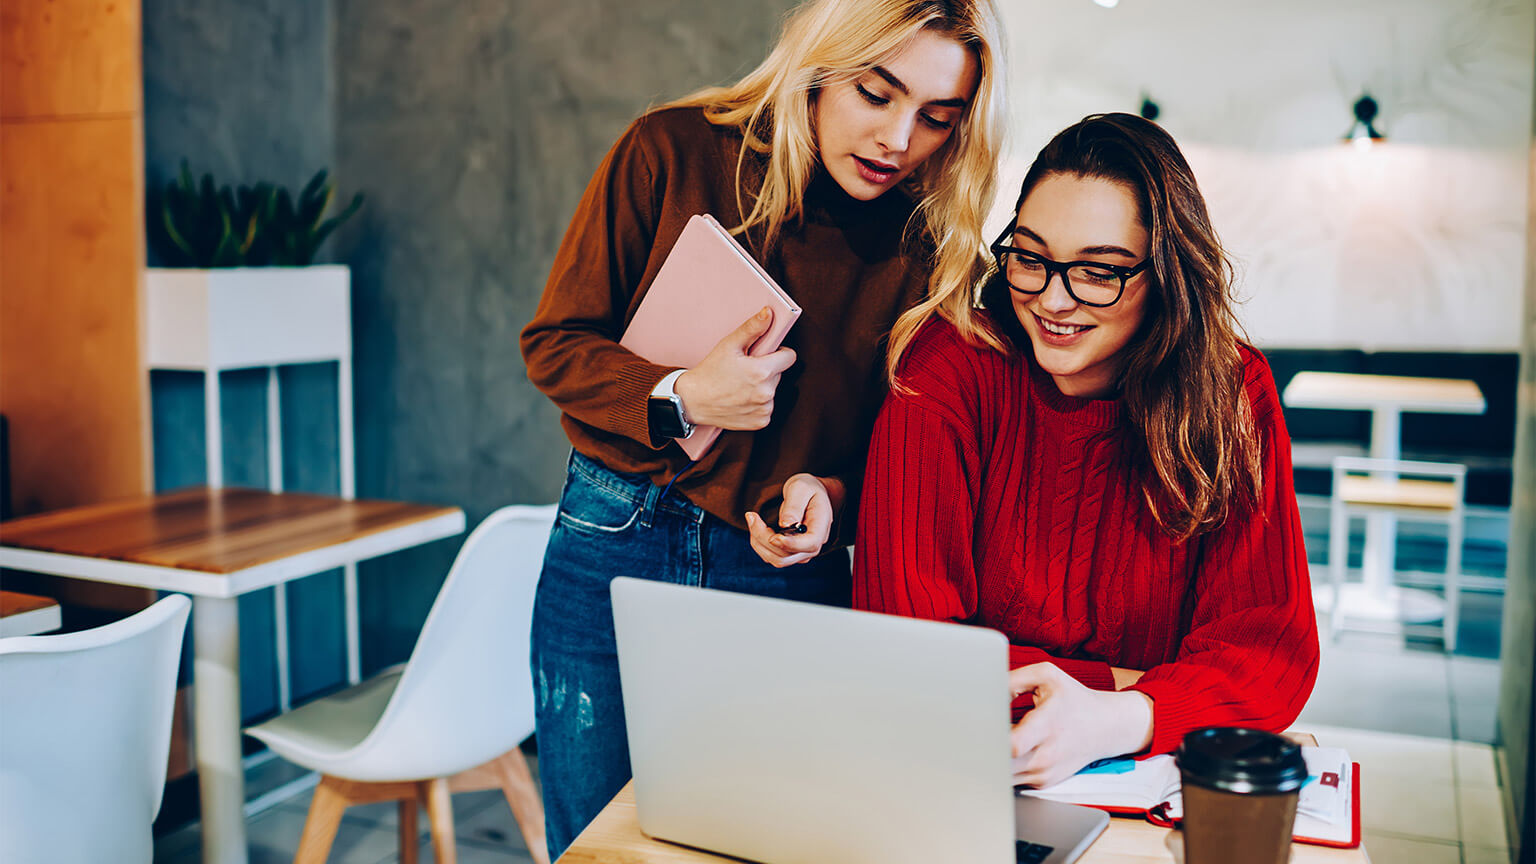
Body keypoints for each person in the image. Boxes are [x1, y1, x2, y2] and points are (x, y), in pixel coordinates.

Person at [519, 0, 1006, 854]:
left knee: (769, 842)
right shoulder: (670, 150)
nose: (899, 138)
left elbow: (894, 451)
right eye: (876, 93)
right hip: (611, 542)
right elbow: (555, 345)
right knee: (595, 847)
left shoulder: (935, 243)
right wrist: (680, 396)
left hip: (786, 573)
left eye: (938, 116)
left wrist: (832, 496)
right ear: (822, 65)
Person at [854, 113, 1320, 790]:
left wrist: (1116, 717)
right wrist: (1130, 685)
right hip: (959, 770)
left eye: (1099, 272)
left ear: (1165, 274)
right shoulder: (949, 368)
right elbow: (912, 657)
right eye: (1031, 258)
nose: (1052, 298)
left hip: (1148, 778)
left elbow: (1268, 657)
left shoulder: (1232, 392)